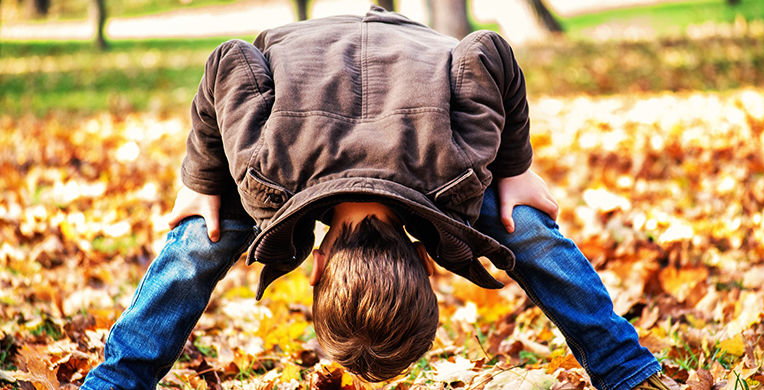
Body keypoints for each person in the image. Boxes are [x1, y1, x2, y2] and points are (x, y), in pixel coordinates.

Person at [82, 6, 668, 390]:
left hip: (388, 70)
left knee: (521, 223)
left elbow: (488, 51)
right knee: (203, 231)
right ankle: (624, 369)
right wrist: (203, 183)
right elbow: (230, 60)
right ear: (316, 268)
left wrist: (513, 173)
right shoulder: (266, 175)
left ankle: (624, 368)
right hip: (333, 77)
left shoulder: (455, 173)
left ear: (421, 263)